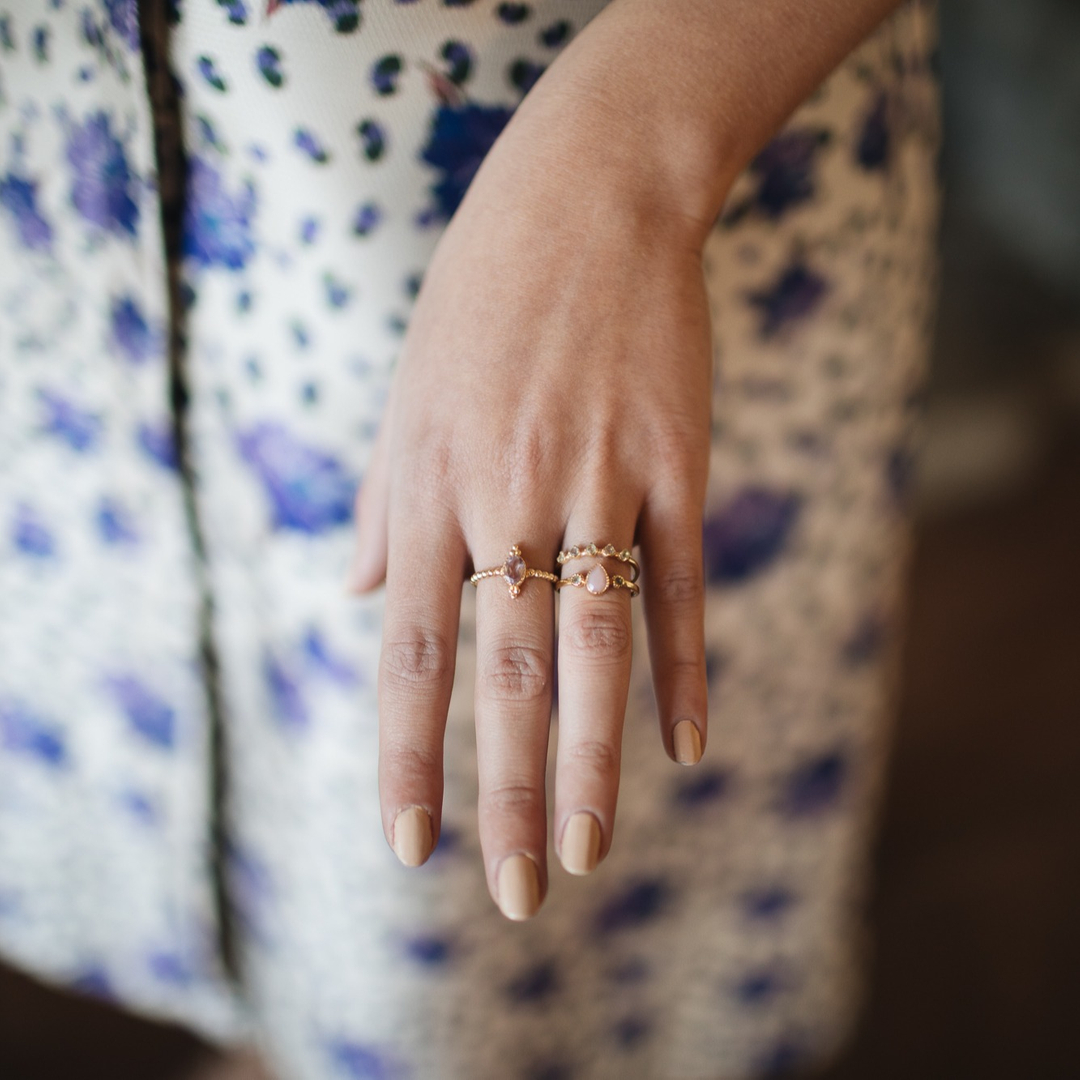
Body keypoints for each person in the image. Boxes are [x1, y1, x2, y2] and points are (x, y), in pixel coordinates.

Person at [0, 0, 939, 1076]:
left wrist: (634, 154)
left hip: (600, 232)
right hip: (66, 222)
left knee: (490, 884)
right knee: (286, 853)